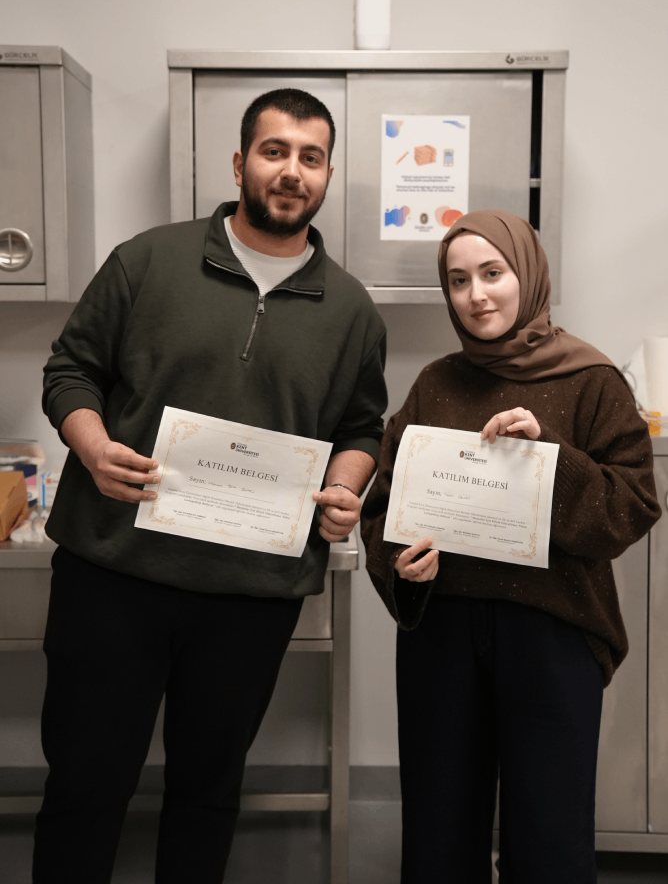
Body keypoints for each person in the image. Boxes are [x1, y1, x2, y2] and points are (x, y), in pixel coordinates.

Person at [36, 88, 387, 883]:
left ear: (328, 175)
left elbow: (362, 428)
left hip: (249, 594)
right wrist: (93, 448)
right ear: (239, 163)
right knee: (86, 785)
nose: (291, 171)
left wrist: (344, 489)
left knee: (208, 791)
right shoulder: (146, 260)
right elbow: (70, 370)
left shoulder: (352, 311)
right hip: (113, 574)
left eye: (310, 157)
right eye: (274, 151)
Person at [361, 210, 660, 884]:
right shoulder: (435, 384)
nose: (477, 295)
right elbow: (384, 505)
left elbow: (633, 505)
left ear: (527, 273)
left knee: (550, 836)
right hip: (443, 632)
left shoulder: (592, 380)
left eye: (492, 273)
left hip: (554, 634)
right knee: (439, 830)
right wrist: (400, 562)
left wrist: (548, 458)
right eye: (459, 280)